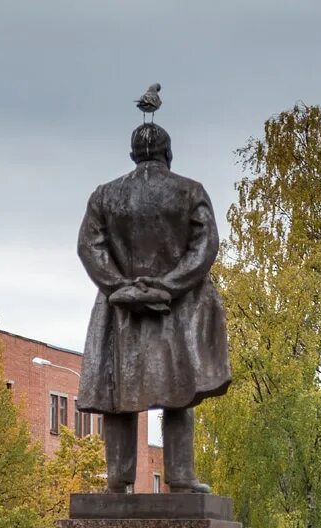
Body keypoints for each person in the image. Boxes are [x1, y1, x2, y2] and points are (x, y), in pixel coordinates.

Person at [76, 120, 231, 493]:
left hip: (121, 310)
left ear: (134, 155)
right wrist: (166, 286)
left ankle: (118, 478)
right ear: (168, 153)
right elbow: (205, 246)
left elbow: (89, 248)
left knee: (120, 394)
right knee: (179, 391)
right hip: (174, 309)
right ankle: (179, 475)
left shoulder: (105, 196)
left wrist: (122, 287)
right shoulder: (189, 191)